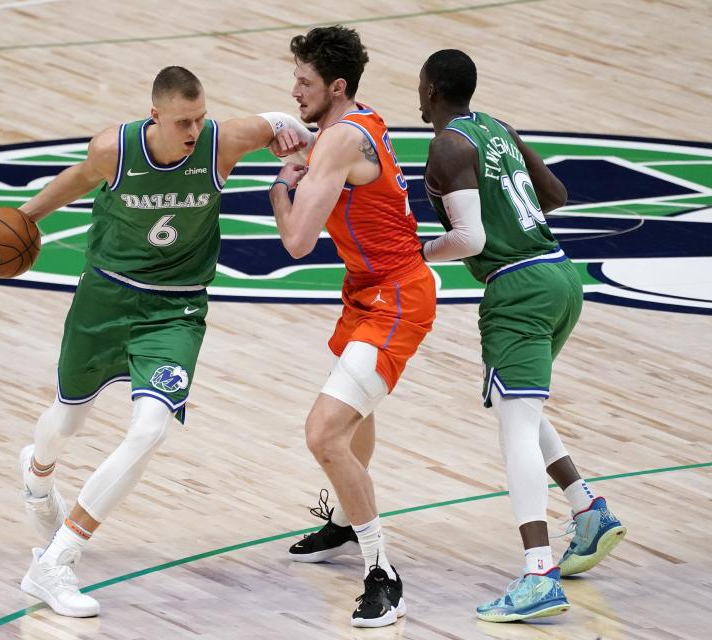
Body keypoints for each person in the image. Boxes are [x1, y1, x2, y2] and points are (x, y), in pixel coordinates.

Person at [13, 65, 314, 618]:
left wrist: (291, 130)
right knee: (68, 420)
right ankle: (37, 474)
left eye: (200, 119)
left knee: (150, 429)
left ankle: (57, 560)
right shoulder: (115, 150)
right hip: (105, 296)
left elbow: (278, 125)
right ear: (155, 116)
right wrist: (22, 219)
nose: (194, 131)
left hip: (176, 307)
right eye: (183, 122)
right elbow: (76, 181)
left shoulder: (219, 143)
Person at [416, 49, 627, 622]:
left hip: (518, 290)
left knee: (514, 432)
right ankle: (589, 510)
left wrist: (419, 252)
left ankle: (538, 574)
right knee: (521, 407)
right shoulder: (497, 130)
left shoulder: (449, 144)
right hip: (561, 278)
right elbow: (555, 195)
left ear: (432, 89)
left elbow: (471, 240)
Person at [268, 26, 436, 628]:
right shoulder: (359, 120)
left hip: (396, 300)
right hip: (369, 293)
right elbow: (327, 144)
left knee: (324, 434)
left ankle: (382, 573)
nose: (294, 90)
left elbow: (296, 241)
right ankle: (345, 519)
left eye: (305, 81)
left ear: (336, 86)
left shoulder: (338, 141)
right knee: (354, 416)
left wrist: (283, 185)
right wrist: (306, 149)